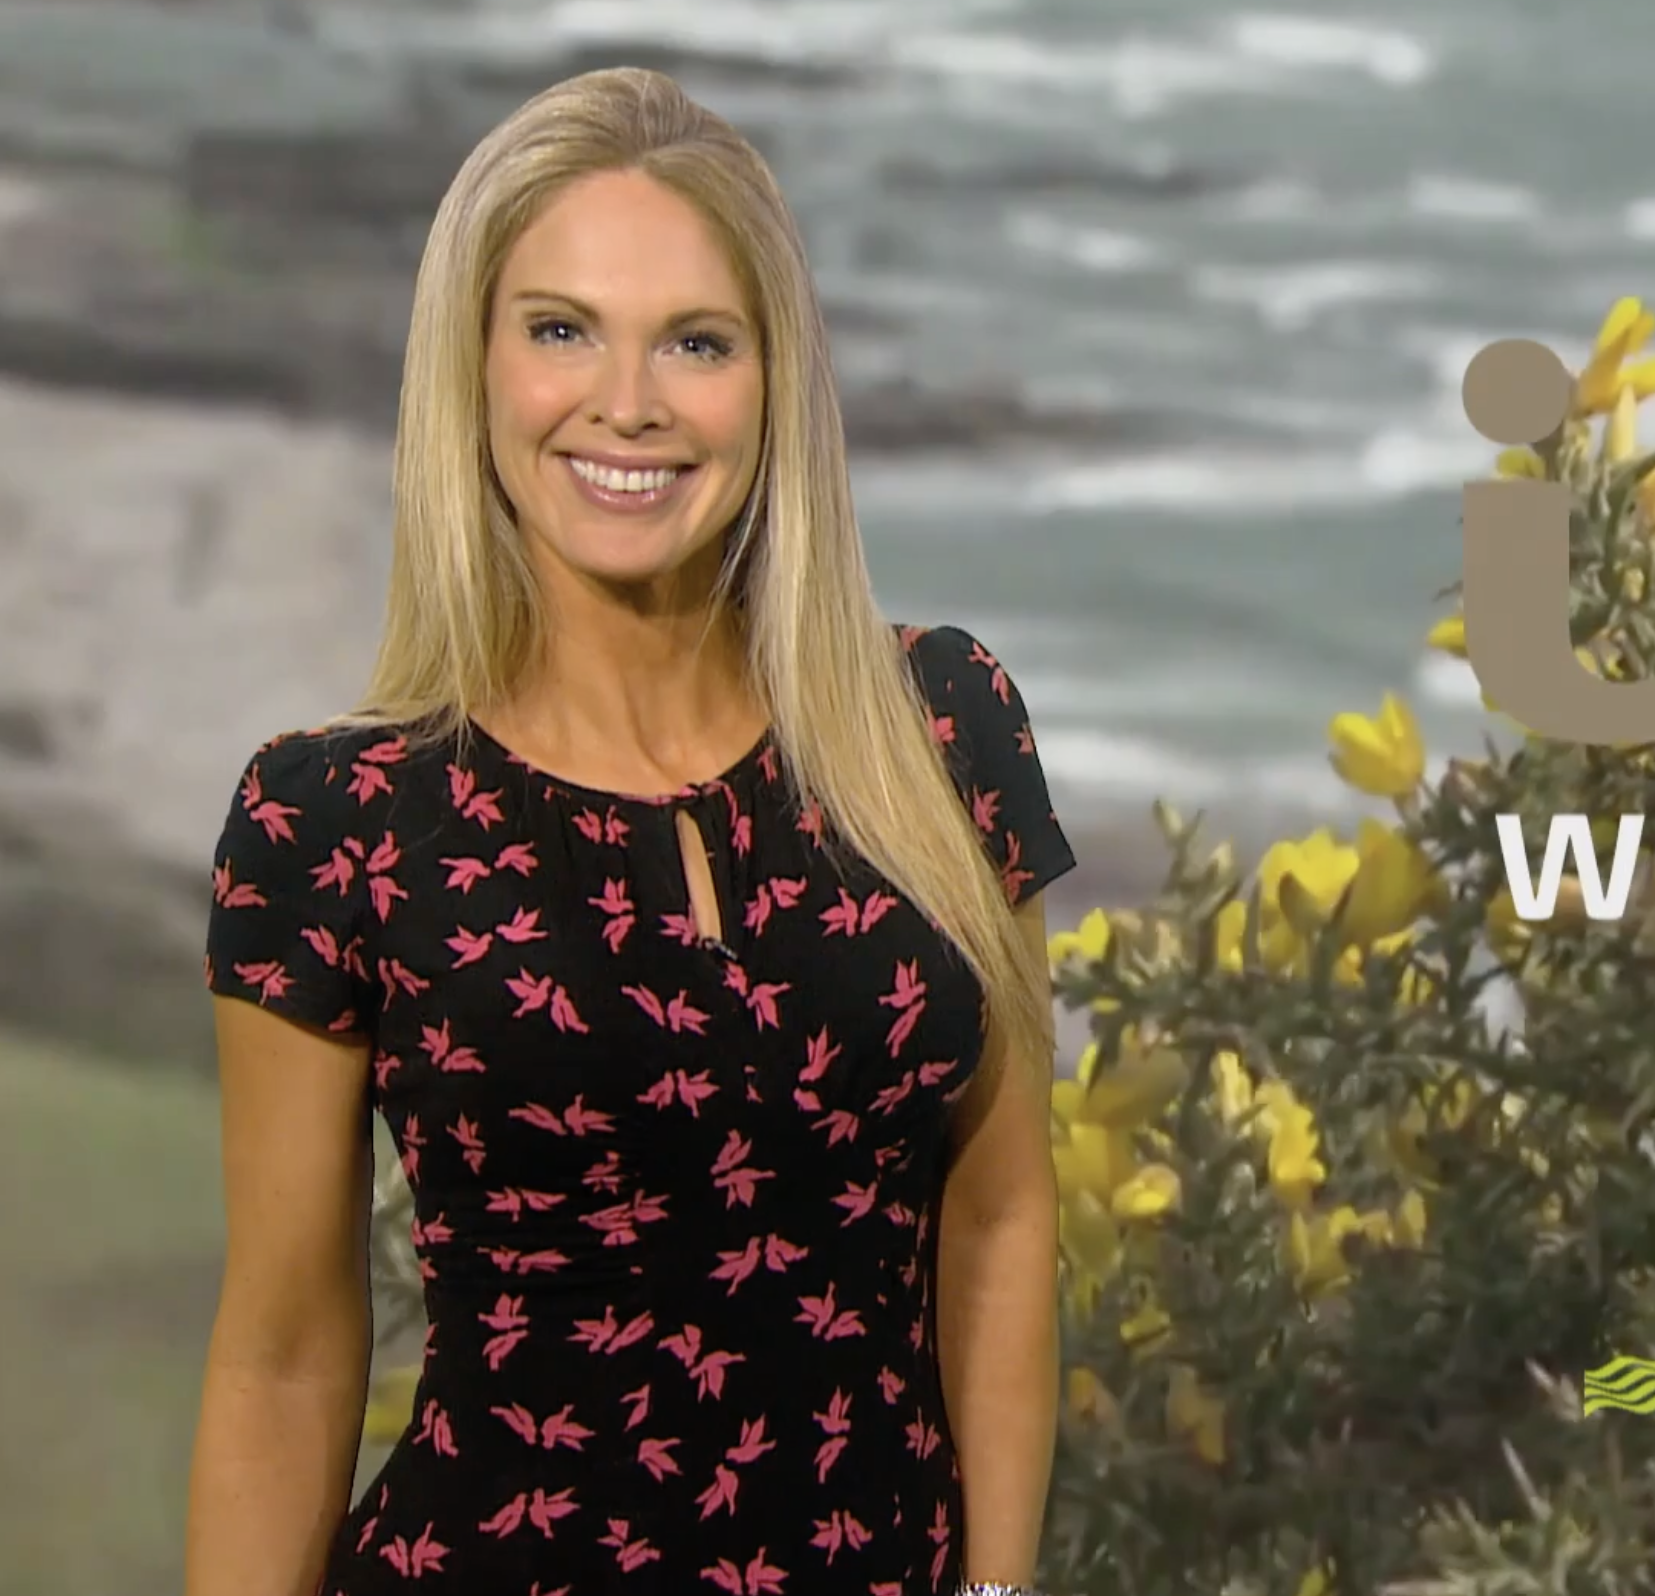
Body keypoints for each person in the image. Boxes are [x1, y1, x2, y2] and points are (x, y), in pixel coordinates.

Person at [182, 66, 1071, 1596]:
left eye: (696, 343)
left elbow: (997, 1226)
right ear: (473, 367)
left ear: (774, 383)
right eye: (560, 330)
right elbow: (283, 1358)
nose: (629, 403)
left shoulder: (941, 727)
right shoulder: (332, 822)